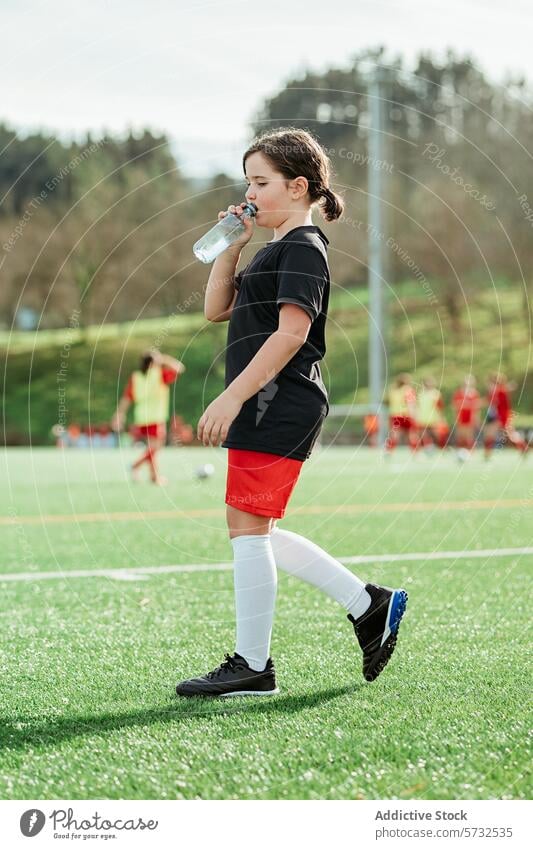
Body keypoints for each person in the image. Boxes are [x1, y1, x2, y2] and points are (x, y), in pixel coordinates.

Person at [175, 128, 408, 698]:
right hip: (267, 401)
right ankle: (369, 604)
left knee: (248, 531)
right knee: (253, 530)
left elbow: (291, 333)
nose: (249, 193)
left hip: (277, 401)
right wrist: (233, 242)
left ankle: (254, 667)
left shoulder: (304, 246)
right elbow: (214, 309)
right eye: (247, 182)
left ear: (298, 186)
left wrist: (232, 397)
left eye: (261, 182)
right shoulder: (274, 246)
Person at [111, 349, 185, 485]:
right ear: (155, 362)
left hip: (141, 418)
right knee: (155, 448)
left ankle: (154, 477)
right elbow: (180, 368)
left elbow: (127, 397)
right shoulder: (159, 374)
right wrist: (164, 358)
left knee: (152, 448)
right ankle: (136, 466)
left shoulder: (136, 377)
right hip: (156, 417)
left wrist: (119, 414)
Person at [483, 372, 527, 459]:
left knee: (509, 434)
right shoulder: (496, 391)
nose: (489, 384)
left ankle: (523, 448)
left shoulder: (500, 391)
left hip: (502, 416)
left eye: (492, 382)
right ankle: (487, 454)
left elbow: (494, 401)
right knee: (490, 433)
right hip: (498, 416)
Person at [385, 374, 417, 452]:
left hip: (395, 415)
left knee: (394, 435)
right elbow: (410, 403)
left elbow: (387, 402)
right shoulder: (408, 390)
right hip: (406, 415)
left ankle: (388, 451)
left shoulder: (393, 390)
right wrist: (414, 415)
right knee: (412, 435)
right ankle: (415, 453)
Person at [416, 376, 448, 451]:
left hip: (434, 418)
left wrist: (441, 417)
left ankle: (442, 448)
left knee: (437, 434)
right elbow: (417, 406)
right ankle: (426, 448)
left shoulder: (436, 394)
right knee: (423, 435)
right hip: (423, 418)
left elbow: (440, 407)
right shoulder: (420, 394)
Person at [452, 374, 480, 452]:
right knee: (460, 436)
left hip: (470, 417)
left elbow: (476, 407)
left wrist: (477, 419)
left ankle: (470, 452)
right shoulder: (458, 393)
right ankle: (460, 451)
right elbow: (455, 406)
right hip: (461, 417)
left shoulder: (474, 393)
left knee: (469, 436)